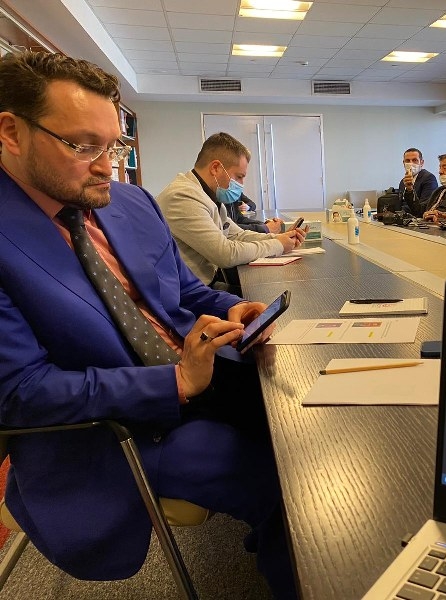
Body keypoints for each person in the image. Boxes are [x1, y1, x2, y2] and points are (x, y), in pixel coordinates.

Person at [0, 51, 295, 598]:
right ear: (12, 133)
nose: (106, 167)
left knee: (305, 428)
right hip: (117, 429)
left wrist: (229, 307)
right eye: (83, 146)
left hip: (203, 374)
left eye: (113, 147)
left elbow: (183, 290)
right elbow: (19, 392)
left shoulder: (131, 203)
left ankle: (275, 544)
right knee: (291, 487)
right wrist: (174, 382)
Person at [156, 132, 306, 290]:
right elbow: (225, 254)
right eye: (239, 176)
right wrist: (278, 245)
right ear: (215, 168)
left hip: (202, 286)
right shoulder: (183, 197)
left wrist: (279, 238)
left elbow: (237, 235)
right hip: (185, 294)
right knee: (265, 295)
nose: (241, 184)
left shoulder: (209, 197)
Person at [398, 147, 437, 216]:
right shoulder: (403, 181)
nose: (411, 163)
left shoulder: (429, 178)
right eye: (407, 161)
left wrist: (401, 210)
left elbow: (424, 208)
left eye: (415, 160)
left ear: (421, 163)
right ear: (403, 163)